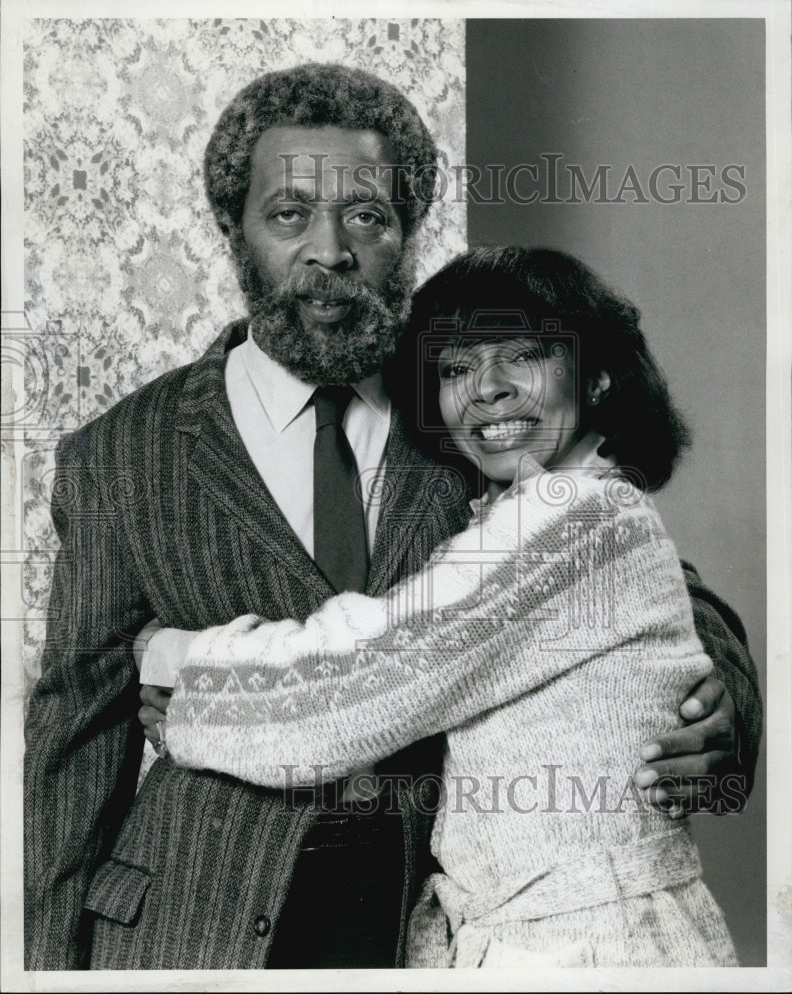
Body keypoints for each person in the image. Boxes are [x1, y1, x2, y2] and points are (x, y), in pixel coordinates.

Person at [24, 63, 760, 972]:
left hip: (422, 921)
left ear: (405, 235)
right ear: (233, 232)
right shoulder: (120, 456)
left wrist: (725, 701)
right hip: (192, 920)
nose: (329, 249)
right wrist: (43, 974)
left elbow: (654, 588)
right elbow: (72, 742)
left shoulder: (473, 421)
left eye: (367, 216)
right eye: (289, 213)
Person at [137, 247, 745, 967]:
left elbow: (355, 685)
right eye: (456, 369)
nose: (485, 390)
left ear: (600, 374)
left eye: (521, 356)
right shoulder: (541, 512)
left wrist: (173, 662)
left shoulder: (576, 515)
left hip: (593, 953)